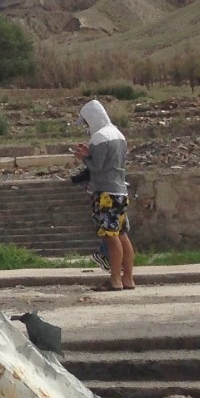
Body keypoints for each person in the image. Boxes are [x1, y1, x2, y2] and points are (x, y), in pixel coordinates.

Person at [73, 100, 132, 291]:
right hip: (121, 190)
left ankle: (115, 279)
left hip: (105, 193)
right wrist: (91, 154)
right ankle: (128, 278)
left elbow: (96, 167)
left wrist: (83, 158)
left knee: (110, 236)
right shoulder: (118, 134)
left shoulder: (98, 137)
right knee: (122, 235)